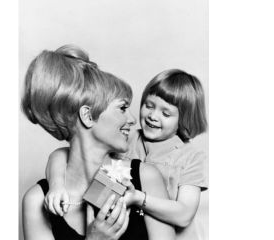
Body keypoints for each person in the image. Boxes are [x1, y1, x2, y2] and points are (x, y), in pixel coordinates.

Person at [21, 44, 175, 240]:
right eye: (122, 108)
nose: (132, 119)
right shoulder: (37, 201)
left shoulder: (145, 178)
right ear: (88, 116)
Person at [44, 69, 208, 240]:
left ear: (184, 119)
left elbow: (184, 215)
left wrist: (138, 198)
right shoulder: (126, 138)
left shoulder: (191, 157)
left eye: (165, 113)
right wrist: (57, 185)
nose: (152, 116)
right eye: (148, 105)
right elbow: (63, 155)